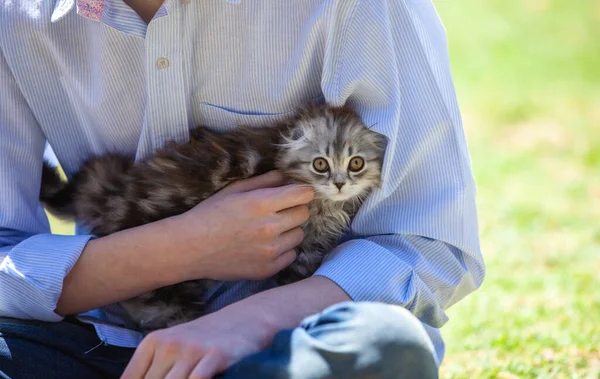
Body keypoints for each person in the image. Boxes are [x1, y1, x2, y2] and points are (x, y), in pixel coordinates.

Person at [0, 0, 486, 378]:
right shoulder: (15, 16)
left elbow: (428, 244)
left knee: (382, 345)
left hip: (285, 346)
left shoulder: (358, 7)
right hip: (87, 342)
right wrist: (182, 249)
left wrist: (244, 324)